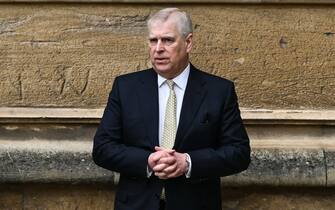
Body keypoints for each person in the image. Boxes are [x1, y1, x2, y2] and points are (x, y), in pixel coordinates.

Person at [92, 8, 250, 210]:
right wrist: (147, 161)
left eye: (167, 40)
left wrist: (188, 163)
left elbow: (239, 153)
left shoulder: (218, 91)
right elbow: (102, 149)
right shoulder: (126, 88)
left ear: (188, 42)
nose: (158, 48)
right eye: (153, 40)